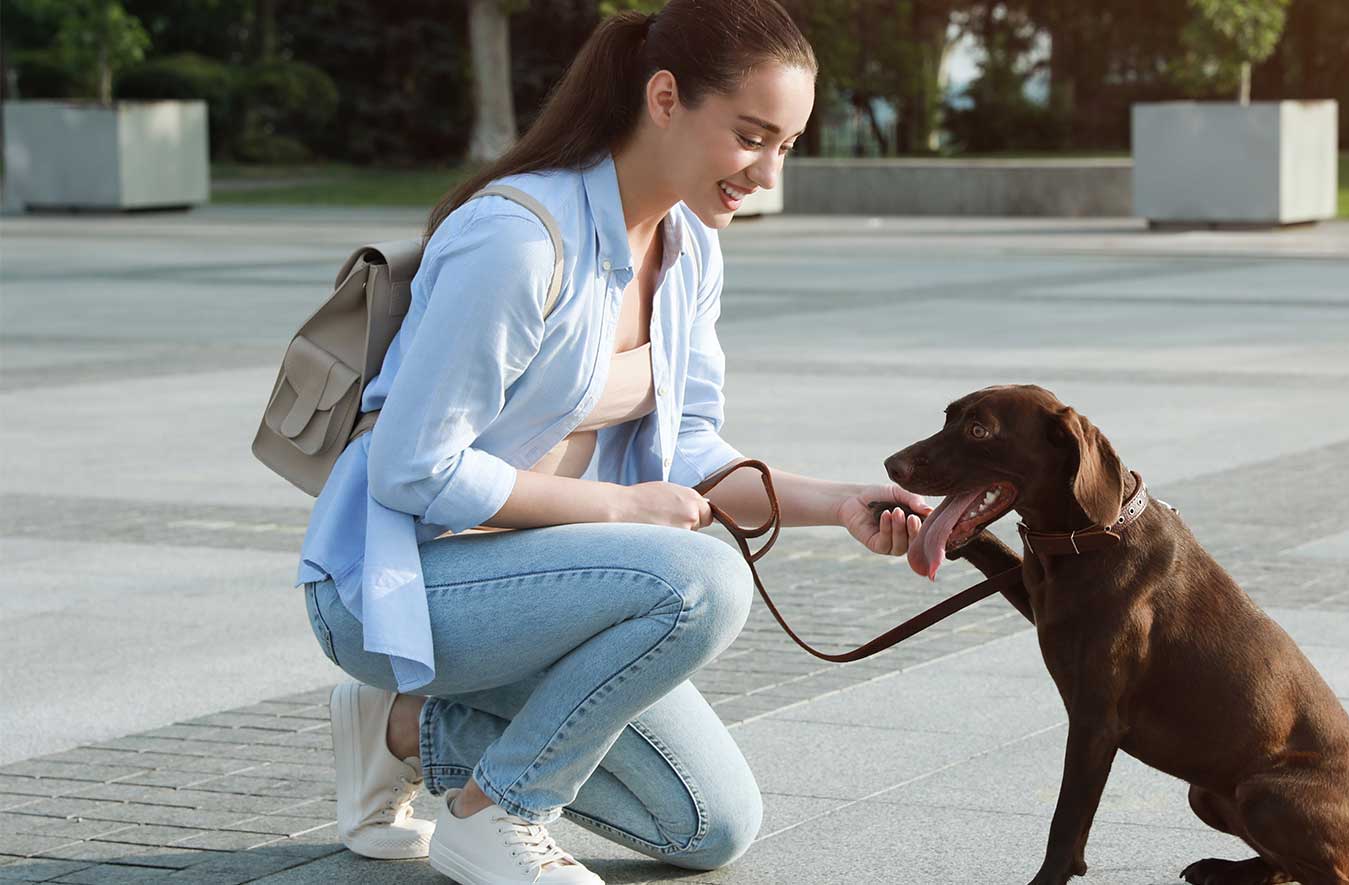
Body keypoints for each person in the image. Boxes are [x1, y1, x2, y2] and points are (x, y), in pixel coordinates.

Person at [295, 3, 928, 883]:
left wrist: (842, 503)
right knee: (701, 583)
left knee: (710, 824)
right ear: (664, 96)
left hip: (549, 584)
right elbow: (414, 468)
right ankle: (498, 809)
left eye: (785, 146)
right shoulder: (518, 241)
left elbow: (691, 451)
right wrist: (623, 508)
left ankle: (403, 727)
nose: (767, 172)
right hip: (399, 586)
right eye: (751, 136)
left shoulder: (690, 248)